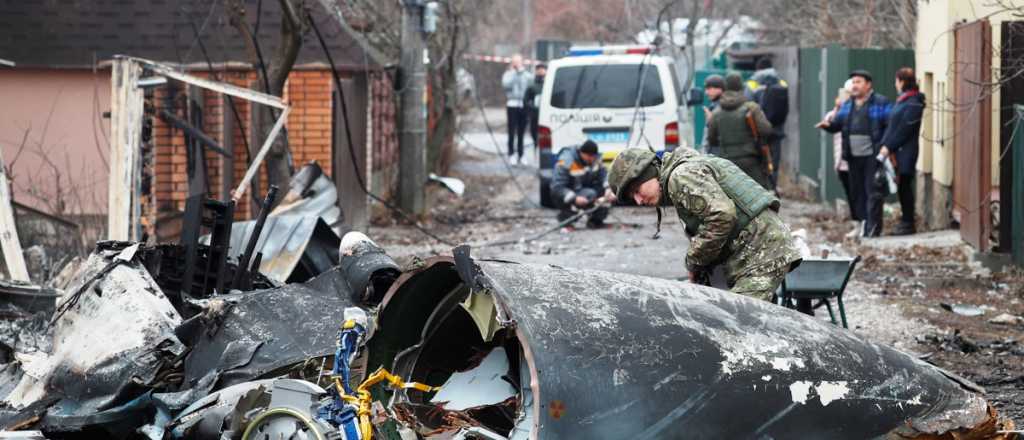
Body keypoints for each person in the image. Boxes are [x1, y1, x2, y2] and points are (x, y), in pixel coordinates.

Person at [607, 147, 802, 301]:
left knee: (741, 328)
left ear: (649, 173)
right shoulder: (685, 169)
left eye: (637, 190)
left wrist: (694, 261)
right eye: (633, 197)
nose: (639, 201)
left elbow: (722, 216)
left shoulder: (680, 176)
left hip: (762, 253)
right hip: (756, 251)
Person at [816, 70, 891, 237]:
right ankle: (862, 226)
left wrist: (885, 147)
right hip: (852, 156)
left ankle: (872, 229)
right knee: (857, 193)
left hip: (873, 156)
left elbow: (890, 125)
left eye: (858, 82)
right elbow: (837, 124)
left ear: (868, 84)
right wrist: (827, 126)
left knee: (873, 192)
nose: (855, 85)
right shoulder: (848, 105)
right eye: (853, 82)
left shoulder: (880, 102)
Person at [877, 67, 925, 236]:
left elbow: (904, 129)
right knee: (901, 186)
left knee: (905, 186)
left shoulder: (913, 103)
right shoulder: (903, 100)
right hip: (897, 150)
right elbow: (892, 126)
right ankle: (905, 221)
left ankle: (908, 222)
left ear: (902, 81)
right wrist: (886, 144)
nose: (895, 84)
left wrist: (888, 146)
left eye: (896, 80)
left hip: (906, 151)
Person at [706, 73, 774, 190]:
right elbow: (766, 130)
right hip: (751, 161)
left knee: (732, 196)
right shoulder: (752, 108)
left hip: (727, 162)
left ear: (725, 88)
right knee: (758, 195)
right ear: (742, 88)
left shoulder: (716, 112)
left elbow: (711, 139)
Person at [550, 140, 616, 228]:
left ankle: (596, 221)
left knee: (606, 195)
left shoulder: (595, 160)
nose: (592, 159)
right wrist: (574, 198)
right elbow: (557, 187)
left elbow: (604, 174)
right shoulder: (566, 162)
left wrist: (608, 188)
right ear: (581, 153)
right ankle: (566, 220)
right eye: (589, 156)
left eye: (593, 156)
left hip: (587, 191)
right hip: (570, 192)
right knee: (579, 197)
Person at [747, 58, 790, 190]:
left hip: (758, 132)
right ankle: (772, 188)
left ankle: (760, 189)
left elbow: (747, 107)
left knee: (759, 161)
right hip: (777, 130)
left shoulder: (752, 84)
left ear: (758, 69)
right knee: (774, 162)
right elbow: (785, 108)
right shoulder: (782, 83)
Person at [825, 81, 856, 225]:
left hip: (854, 158)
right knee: (849, 192)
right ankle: (855, 220)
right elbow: (829, 121)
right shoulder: (840, 111)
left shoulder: (856, 109)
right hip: (841, 159)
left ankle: (859, 220)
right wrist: (838, 108)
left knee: (857, 192)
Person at [502, 54, 532, 165]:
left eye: (518, 62)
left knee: (521, 131)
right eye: (514, 62)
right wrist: (515, 73)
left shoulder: (527, 75)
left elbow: (530, 86)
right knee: (511, 131)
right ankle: (511, 154)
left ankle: (521, 154)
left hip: (523, 106)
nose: (516, 64)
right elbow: (506, 85)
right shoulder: (508, 74)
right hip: (512, 104)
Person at [523, 63, 547, 152]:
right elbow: (525, 101)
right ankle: (536, 147)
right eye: (539, 69)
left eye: (543, 69)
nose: (541, 71)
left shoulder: (550, 84)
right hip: (535, 115)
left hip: (547, 114)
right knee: (534, 133)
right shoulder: (532, 86)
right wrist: (533, 108)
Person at [701, 74, 725, 154]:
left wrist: (711, 120)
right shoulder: (713, 105)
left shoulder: (724, 107)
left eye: (709, 89)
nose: (706, 92)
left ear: (719, 89)